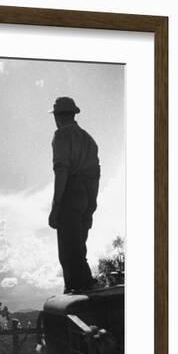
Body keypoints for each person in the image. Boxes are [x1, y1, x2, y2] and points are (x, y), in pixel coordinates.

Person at [47, 97, 100, 293]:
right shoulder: (88, 139)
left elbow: (62, 170)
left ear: (57, 117)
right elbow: (96, 174)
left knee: (69, 252)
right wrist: (91, 205)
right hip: (87, 194)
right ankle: (85, 287)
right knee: (79, 247)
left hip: (71, 193)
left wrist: (56, 206)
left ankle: (78, 293)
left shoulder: (61, 135)